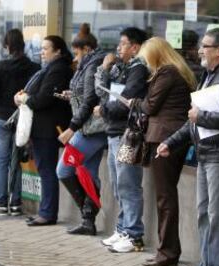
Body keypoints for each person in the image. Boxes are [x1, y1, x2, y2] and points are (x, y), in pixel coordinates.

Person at [157, 28, 219, 266]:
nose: (200, 50)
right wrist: (170, 143)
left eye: (205, 46)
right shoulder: (207, 76)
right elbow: (192, 120)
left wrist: (202, 117)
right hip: (205, 153)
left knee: (218, 214)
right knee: (204, 213)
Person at [129, 37, 197, 265]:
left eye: (147, 59)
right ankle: (167, 250)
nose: (147, 64)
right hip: (171, 137)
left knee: (165, 197)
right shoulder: (178, 71)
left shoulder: (167, 73)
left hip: (164, 139)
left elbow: (150, 106)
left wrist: (133, 103)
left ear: (157, 55)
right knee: (165, 196)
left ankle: (167, 252)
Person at [94, 27, 148, 252]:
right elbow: (103, 92)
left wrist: (104, 110)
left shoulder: (138, 70)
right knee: (118, 186)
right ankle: (123, 228)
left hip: (128, 135)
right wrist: (105, 68)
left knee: (128, 186)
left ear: (135, 47)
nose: (119, 47)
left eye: (124, 43)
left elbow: (125, 101)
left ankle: (134, 235)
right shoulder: (119, 67)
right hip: (113, 132)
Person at [14, 35, 73, 226]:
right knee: (44, 169)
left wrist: (26, 99)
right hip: (42, 127)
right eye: (41, 48)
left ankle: (47, 213)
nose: (42, 52)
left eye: (46, 48)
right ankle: (45, 210)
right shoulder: (48, 69)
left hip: (49, 128)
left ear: (57, 51)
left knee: (47, 170)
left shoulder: (59, 69)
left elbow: (43, 99)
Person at [56, 23, 107, 235]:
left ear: (86, 49)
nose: (74, 57)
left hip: (89, 130)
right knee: (90, 174)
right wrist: (71, 95)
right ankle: (88, 221)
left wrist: (71, 128)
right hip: (91, 129)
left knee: (64, 169)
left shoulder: (92, 65)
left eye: (76, 52)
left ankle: (87, 215)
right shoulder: (88, 64)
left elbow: (89, 101)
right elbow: (86, 96)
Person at [0, 29, 40, 216]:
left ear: (7, 46)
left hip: (1, 117)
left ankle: (1, 203)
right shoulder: (34, 67)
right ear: (23, 45)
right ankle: (16, 203)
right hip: (22, 118)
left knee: (2, 161)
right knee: (16, 161)